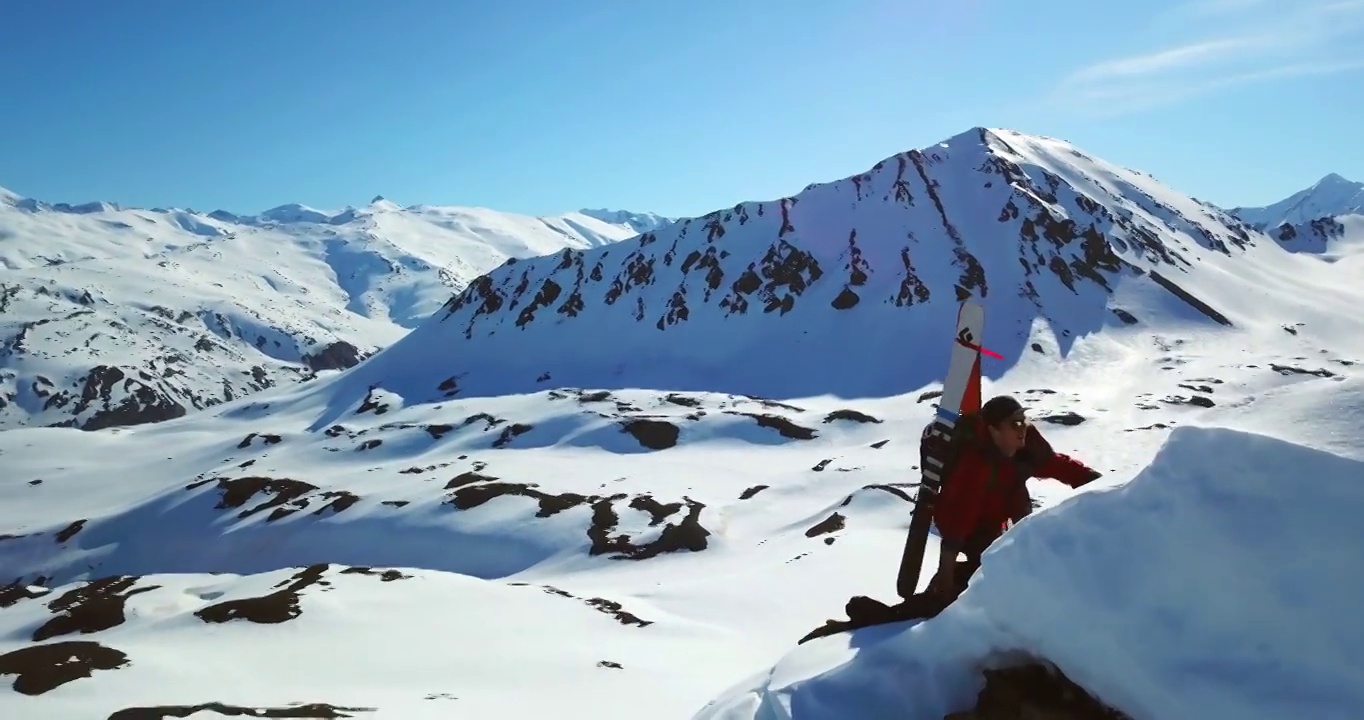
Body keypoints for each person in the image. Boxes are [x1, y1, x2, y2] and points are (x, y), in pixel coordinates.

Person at [924, 394, 1101, 601]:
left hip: (999, 518)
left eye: (1024, 422)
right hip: (967, 525)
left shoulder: (1026, 448)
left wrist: (1095, 480)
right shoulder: (975, 465)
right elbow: (959, 518)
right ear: (994, 430)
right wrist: (945, 569)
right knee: (986, 565)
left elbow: (1056, 465)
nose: (1022, 429)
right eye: (1015, 423)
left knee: (1005, 560)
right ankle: (945, 596)